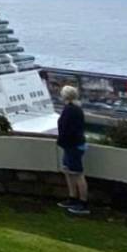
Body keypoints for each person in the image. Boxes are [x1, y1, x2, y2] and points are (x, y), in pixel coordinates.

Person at [56, 85, 89, 215]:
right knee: (69, 171)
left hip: (73, 145)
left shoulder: (71, 110)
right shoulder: (74, 109)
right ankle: (73, 197)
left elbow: (67, 128)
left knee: (77, 173)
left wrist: (62, 141)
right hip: (71, 145)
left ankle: (83, 203)